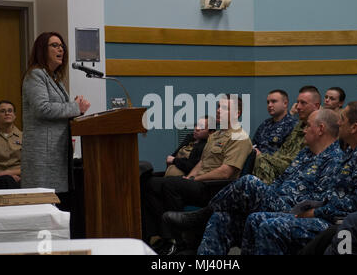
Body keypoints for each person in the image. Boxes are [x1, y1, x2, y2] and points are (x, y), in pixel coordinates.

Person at [164, 109, 344, 255]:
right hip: (277, 202)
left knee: (249, 182)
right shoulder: (305, 153)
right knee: (222, 218)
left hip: (295, 212)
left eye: (308, 126)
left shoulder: (335, 159)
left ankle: (202, 215)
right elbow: (281, 179)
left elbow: (321, 201)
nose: (303, 130)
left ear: (320, 129)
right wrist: (268, 193)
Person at [239, 102, 357, 255]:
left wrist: (317, 211)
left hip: (342, 224)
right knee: (255, 218)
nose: (338, 123)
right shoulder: (351, 152)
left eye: (343, 119)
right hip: (327, 214)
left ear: (354, 127)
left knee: (270, 227)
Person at [141, 94, 252, 254]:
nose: (219, 111)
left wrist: (195, 179)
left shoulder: (239, 137)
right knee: (149, 183)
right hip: (199, 182)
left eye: (225, 108)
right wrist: (189, 177)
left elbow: (226, 172)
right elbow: (202, 162)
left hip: (215, 188)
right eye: (219, 107)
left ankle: (179, 241)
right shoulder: (216, 135)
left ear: (237, 113)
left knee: (170, 184)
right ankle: (162, 236)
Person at [21, 32, 91, 208]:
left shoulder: (55, 79)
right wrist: (75, 107)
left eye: (61, 46)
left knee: (58, 206)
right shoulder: (36, 75)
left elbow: (59, 110)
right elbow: (42, 108)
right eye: (54, 45)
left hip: (57, 153)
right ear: (41, 50)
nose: (60, 49)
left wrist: (76, 109)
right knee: (44, 207)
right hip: (43, 155)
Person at [252, 86, 321, 184]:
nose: (298, 107)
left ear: (316, 106)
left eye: (303, 103)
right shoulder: (299, 126)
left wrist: (262, 157)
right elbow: (283, 152)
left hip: (296, 178)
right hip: (279, 172)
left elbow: (296, 162)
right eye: (298, 102)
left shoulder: (317, 129)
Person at [252, 90, 298, 156]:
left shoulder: (293, 125)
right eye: (268, 102)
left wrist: (261, 156)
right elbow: (254, 145)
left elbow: (287, 157)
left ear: (285, 103)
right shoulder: (265, 124)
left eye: (274, 101)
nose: (269, 105)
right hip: (256, 163)